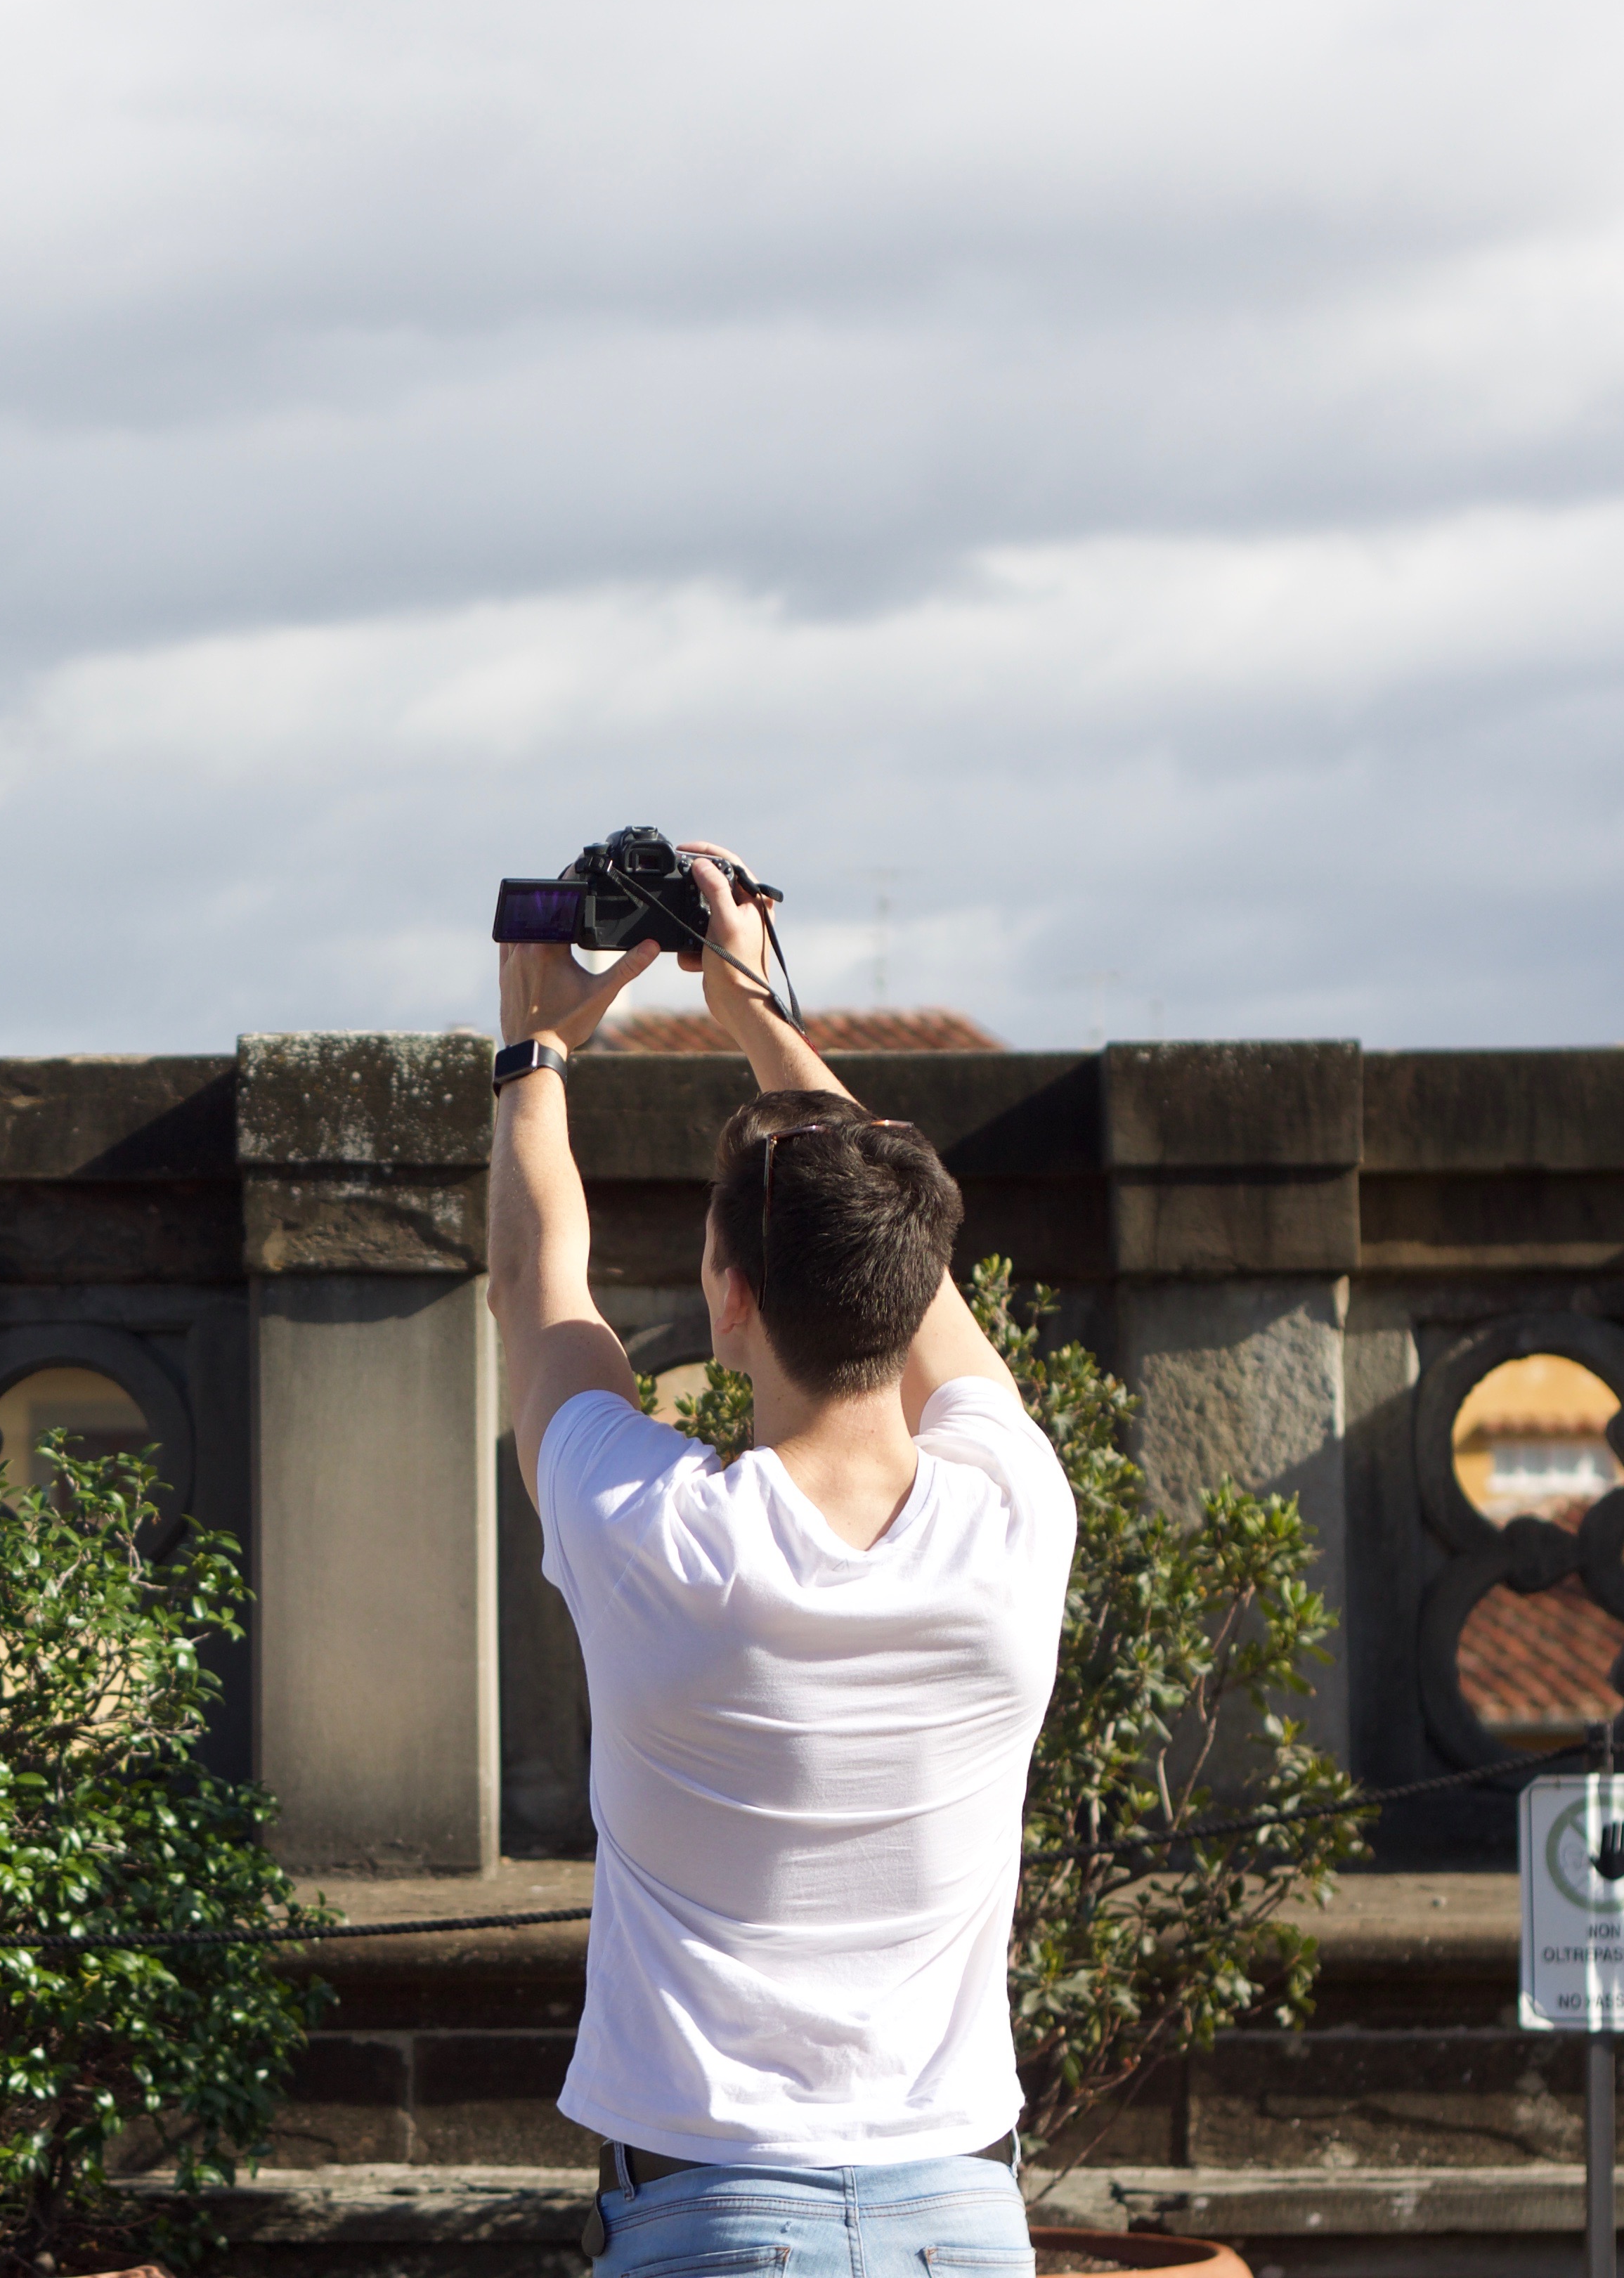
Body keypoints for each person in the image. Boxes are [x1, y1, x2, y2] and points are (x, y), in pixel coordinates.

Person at [490, 840, 1076, 2278]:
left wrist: (533, 1054)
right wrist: (754, 1005)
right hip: (962, 2222)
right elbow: (902, 1267)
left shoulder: (653, 1529)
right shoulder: (1015, 1514)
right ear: (914, 1280)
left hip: (712, 2218)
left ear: (731, 1299)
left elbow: (537, 1288)